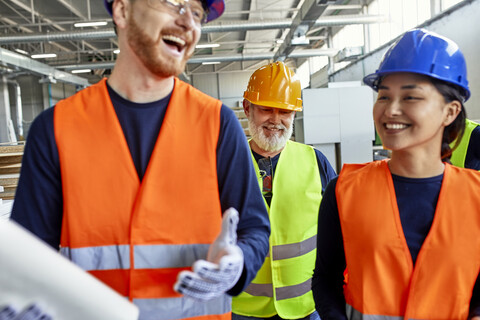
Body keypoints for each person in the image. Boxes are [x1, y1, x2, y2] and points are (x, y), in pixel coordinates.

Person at [10, 0, 270, 319]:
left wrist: (239, 261)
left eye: (198, 13)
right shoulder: (55, 130)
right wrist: (20, 297)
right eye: (174, 3)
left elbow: (255, 228)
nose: (189, 22)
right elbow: (26, 260)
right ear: (122, 11)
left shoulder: (217, 125)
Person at [312, 28, 480, 320]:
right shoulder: (343, 191)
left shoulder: (476, 197)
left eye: (411, 97)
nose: (391, 110)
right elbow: (326, 280)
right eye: (383, 96)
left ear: (450, 112)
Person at [232, 61, 337, 320]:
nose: (276, 120)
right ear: (248, 108)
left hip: (306, 307)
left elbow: (340, 231)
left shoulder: (316, 161)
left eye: (285, 112)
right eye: (267, 109)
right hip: (243, 307)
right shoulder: (225, 162)